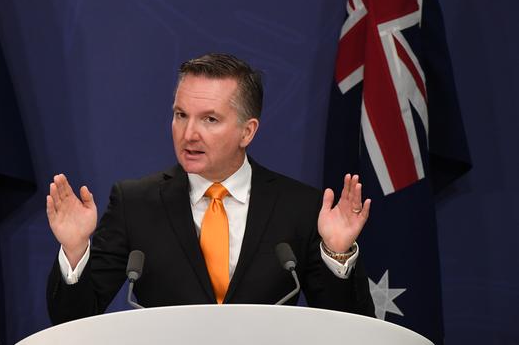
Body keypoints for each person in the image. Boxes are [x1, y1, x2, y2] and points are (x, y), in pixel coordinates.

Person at [46, 53, 374, 324]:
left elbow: (349, 328)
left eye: (210, 120)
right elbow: (72, 321)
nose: (189, 134)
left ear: (247, 132)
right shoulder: (135, 204)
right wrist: (75, 251)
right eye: (180, 115)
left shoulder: (299, 206)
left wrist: (337, 255)